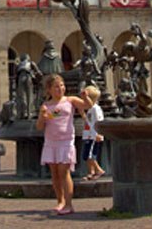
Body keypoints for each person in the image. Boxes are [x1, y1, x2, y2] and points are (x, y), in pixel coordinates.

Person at [36, 74, 88, 216]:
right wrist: (42, 117)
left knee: (64, 172)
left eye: (62, 85)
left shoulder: (70, 100)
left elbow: (87, 105)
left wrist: (86, 96)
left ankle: (69, 204)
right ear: (49, 90)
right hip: (51, 143)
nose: (60, 88)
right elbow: (39, 127)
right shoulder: (46, 106)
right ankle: (60, 201)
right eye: (57, 86)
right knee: (55, 174)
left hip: (66, 142)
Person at [79, 85, 105, 181]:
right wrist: (82, 114)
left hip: (93, 136)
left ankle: (99, 170)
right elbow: (89, 121)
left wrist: (97, 134)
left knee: (89, 155)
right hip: (89, 135)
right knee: (88, 155)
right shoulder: (91, 109)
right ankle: (91, 172)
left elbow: (98, 122)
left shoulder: (95, 109)